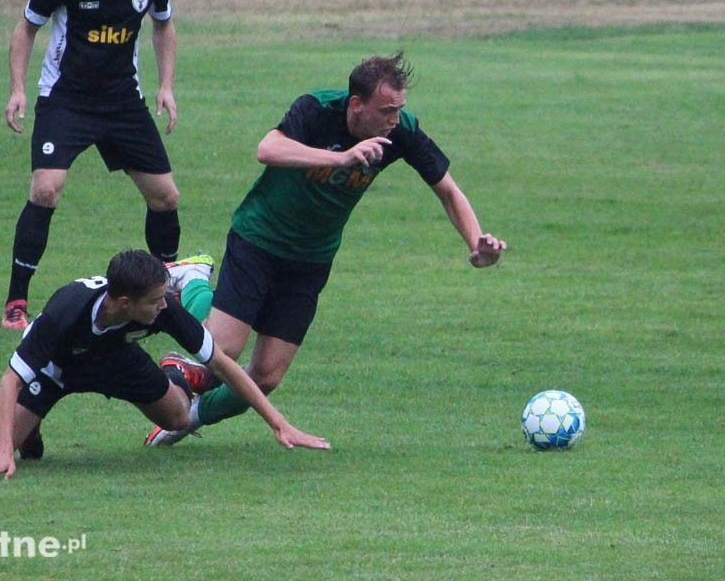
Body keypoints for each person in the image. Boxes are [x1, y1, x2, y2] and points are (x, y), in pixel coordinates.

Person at [145, 52, 507, 446]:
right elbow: (267, 149)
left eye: (399, 109)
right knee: (223, 349)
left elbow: (448, 190)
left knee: (266, 376)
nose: (394, 119)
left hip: (311, 260)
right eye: (387, 110)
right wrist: (340, 157)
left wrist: (476, 243)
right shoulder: (316, 110)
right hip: (259, 239)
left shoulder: (400, 131)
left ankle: (189, 418)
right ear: (356, 104)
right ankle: (193, 280)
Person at [0, 250, 329, 481]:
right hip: (54, 371)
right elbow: (10, 380)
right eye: (155, 300)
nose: (164, 305)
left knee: (178, 419)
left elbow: (222, 363)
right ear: (124, 302)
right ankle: (28, 429)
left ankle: (177, 372)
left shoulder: (164, 309)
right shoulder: (66, 312)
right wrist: (3, 451)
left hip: (117, 362)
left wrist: (279, 423)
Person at [1, 0, 182, 330]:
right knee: (46, 189)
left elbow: (163, 25)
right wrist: (18, 89)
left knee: (165, 198)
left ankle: (164, 296)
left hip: (123, 102)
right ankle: (15, 303)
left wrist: (166, 86)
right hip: (67, 100)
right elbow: (26, 29)